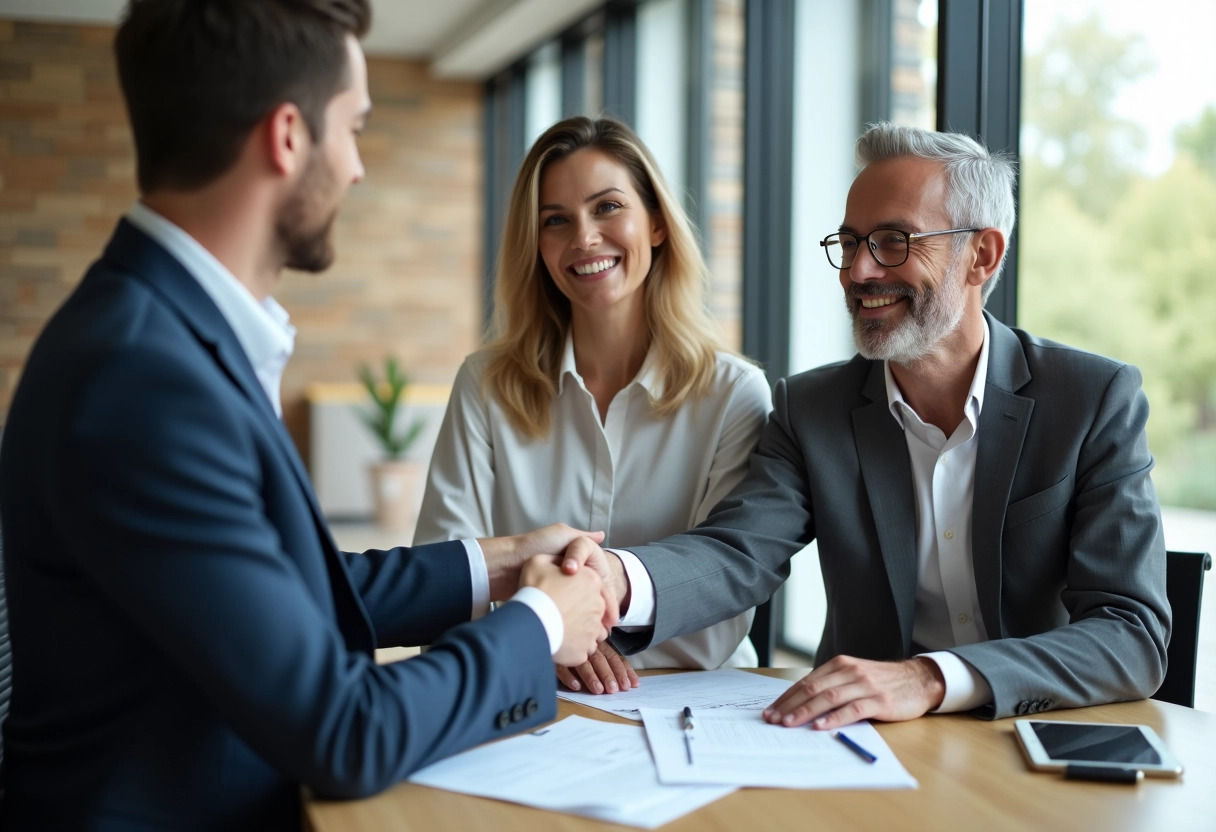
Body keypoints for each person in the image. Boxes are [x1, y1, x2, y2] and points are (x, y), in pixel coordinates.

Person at [0, 2, 616, 829]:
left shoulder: (159, 334)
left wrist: (498, 565)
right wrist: (541, 624)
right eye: (353, 128)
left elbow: (276, 589)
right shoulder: (142, 378)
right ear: (288, 137)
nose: (358, 167)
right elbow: (342, 730)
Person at [566, 121, 1170, 727]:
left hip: (1029, 736)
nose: (858, 272)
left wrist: (930, 678)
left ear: (981, 255)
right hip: (863, 743)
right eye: (850, 243)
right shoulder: (811, 408)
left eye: (893, 241)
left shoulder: (1092, 399)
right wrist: (614, 578)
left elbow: (1131, 633)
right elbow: (739, 552)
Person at [414, 116, 772, 695]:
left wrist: (546, 629)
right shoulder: (485, 385)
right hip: (531, 697)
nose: (583, 237)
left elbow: (720, 612)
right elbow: (440, 580)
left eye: (607, 207)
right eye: (556, 220)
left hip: (696, 708)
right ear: (537, 245)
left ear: (656, 222)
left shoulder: (733, 395)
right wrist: (543, 639)